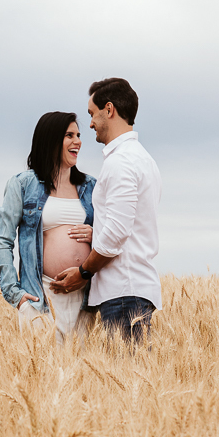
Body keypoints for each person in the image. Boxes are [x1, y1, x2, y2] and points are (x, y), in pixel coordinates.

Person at [50, 78, 161, 343]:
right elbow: (128, 225)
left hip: (124, 292)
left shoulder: (121, 162)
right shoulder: (143, 159)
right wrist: (95, 231)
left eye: (92, 114)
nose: (89, 124)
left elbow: (117, 233)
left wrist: (84, 272)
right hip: (132, 290)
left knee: (127, 376)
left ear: (108, 110)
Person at [0, 112, 97, 344]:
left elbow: (113, 235)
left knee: (82, 376)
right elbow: (3, 241)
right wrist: (17, 296)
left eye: (79, 135)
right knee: (41, 375)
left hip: (83, 298)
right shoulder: (22, 184)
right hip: (40, 297)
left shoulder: (92, 187)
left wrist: (96, 234)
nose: (78, 141)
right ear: (51, 139)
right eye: (69, 135)